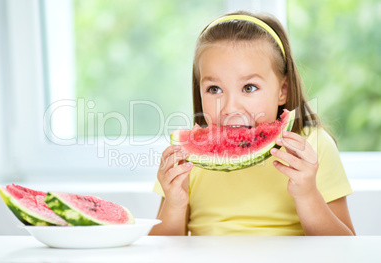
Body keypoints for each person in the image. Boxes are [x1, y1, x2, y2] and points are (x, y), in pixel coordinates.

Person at [148, 11, 355, 236]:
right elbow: (162, 249)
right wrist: (175, 203)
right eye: (214, 89)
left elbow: (345, 247)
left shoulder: (313, 146)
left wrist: (307, 195)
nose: (230, 108)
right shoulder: (187, 158)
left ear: (282, 90)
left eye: (249, 87)